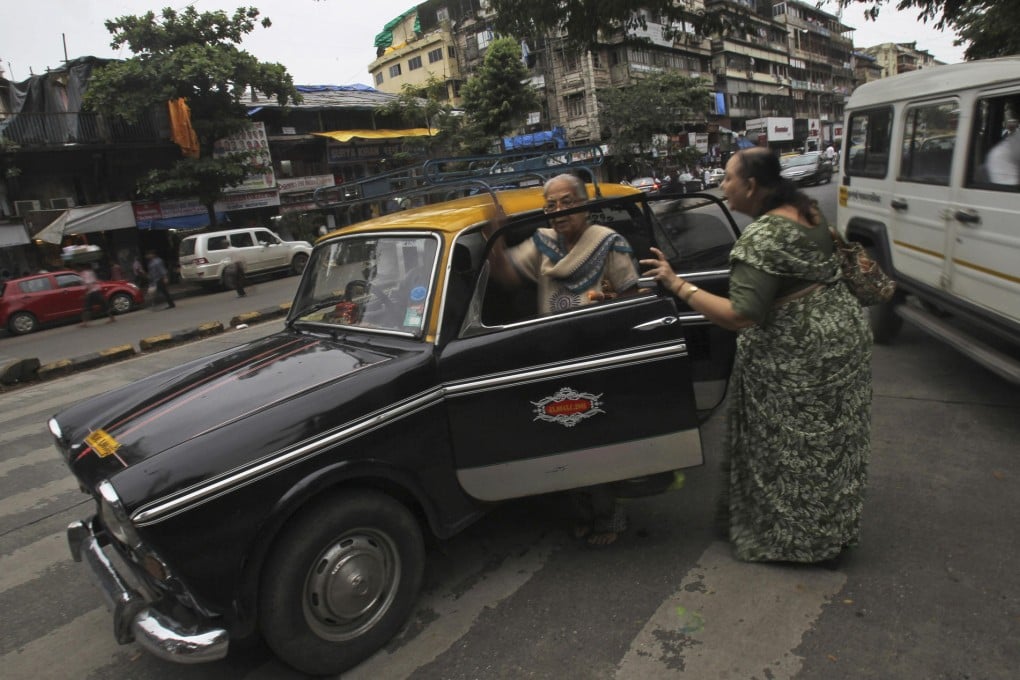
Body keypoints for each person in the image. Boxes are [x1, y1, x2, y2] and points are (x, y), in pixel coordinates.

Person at [640, 147, 873, 565]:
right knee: (831, 446)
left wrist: (676, 285)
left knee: (796, 454)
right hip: (843, 341)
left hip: (801, 359)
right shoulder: (807, 211)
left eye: (728, 178)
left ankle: (800, 543)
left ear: (750, 184)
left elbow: (740, 316)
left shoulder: (763, 236)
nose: (723, 185)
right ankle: (830, 533)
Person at [488, 173, 639, 546]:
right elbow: (506, 274)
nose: (559, 211)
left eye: (568, 202)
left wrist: (612, 303)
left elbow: (634, 296)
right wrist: (495, 240)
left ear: (584, 204)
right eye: (551, 205)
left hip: (599, 354)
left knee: (600, 440)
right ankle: (582, 511)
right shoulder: (543, 243)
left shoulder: (609, 243)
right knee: (564, 436)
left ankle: (608, 516)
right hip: (554, 354)